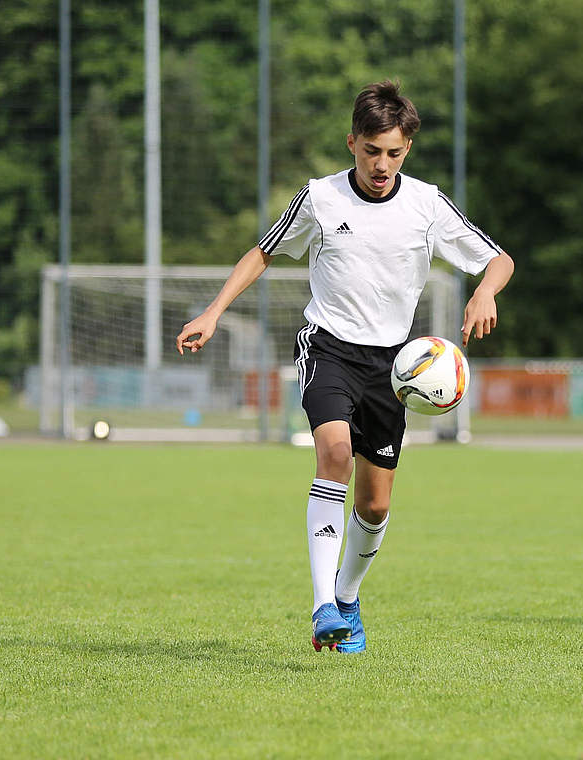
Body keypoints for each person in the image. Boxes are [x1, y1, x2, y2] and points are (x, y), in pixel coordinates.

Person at [175, 81, 515, 653]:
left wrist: (485, 292)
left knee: (375, 504)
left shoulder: (426, 204)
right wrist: (213, 312)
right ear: (352, 142)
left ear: (408, 149)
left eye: (395, 153)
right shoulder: (320, 198)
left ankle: (348, 597)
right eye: (372, 151)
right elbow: (263, 251)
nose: (383, 165)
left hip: (393, 367)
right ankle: (321, 607)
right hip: (327, 345)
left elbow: (499, 258)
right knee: (333, 454)